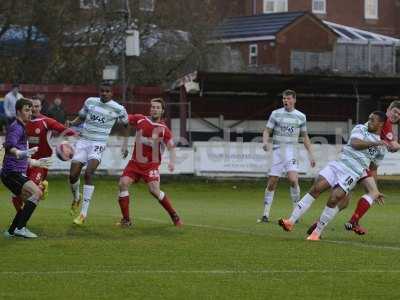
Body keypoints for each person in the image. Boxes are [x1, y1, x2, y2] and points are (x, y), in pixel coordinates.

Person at [278, 111, 387, 240]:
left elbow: (373, 168)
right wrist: (375, 143)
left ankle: (316, 233)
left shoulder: (381, 148)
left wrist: (375, 189)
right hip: (338, 165)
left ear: (380, 124)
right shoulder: (361, 128)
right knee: (316, 188)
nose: (369, 121)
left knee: (334, 198)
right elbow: (355, 144)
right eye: (369, 118)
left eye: (373, 120)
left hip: (352, 173)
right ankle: (290, 221)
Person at [67, 81, 129, 225]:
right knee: (72, 175)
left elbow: (126, 125)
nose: (104, 93)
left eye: (107, 91)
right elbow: (81, 118)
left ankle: (83, 214)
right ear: (99, 91)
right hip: (83, 142)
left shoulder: (118, 109)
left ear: (112, 93)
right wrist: (71, 123)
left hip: (98, 144)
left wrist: (125, 144)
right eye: (102, 91)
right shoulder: (90, 102)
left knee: (88, 173)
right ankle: (76, 197)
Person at [117, 98, 182, 227]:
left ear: (162, 111)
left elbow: (171, 147)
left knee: (154, 190)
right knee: (123, 184)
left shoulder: (164, 130)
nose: (154, 109)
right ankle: (126, 220)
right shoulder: (140, 119)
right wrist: (118, 110)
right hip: (135, 163)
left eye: (157, 107)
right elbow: (124, 119)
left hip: (151, 165)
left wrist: (172, 162)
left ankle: (173, 214)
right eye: (153, 107)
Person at [10, 97, 77, 212]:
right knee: (16, 196)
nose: (34, 109)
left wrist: (75, 134)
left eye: (37, 106)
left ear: (41, 107)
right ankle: (20, 219)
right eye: (31, 107)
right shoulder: (22, 123)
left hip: (42, 163)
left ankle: (40, 187)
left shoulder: (47, 121)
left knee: (31, 191)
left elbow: (63, 129)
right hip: (24, 162)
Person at [258, 89, 315, 223]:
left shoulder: (301, 116)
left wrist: (311, 155)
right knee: (272, 182)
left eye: (288, 99)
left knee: (293, 180)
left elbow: (305, 136)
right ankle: (265, 214)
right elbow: (267, 130)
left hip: (292, 151)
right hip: (278, 150)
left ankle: (296, 214)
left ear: (294, 100)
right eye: (284, 98)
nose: (286, 101)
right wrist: (265, 142)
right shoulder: (276, 114)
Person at [343, 100, 400, 234]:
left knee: (348, 198)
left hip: (364, 164)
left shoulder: (388, 127)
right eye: (395, 111)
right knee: (343, 198)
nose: (396, 115)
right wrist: (395, 145)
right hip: (357, 162)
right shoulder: (385, 124)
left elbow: (379, 157)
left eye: (399, 114)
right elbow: (391, 145)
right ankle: (320, 224)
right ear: (388, 109)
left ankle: (352, 222)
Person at [1, 98, 52, 238]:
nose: (30, 112)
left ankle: (12, 231)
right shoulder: (17, 127)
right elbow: (9, 146)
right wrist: (19, 153)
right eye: (27, 110)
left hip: (13, 173)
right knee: (37, 193)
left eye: (31, 110)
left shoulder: (21, 126)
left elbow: (22, 153)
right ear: (18, 112)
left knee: (28, 200)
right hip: (12, 173)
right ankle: (20, 228)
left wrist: (35, 162)